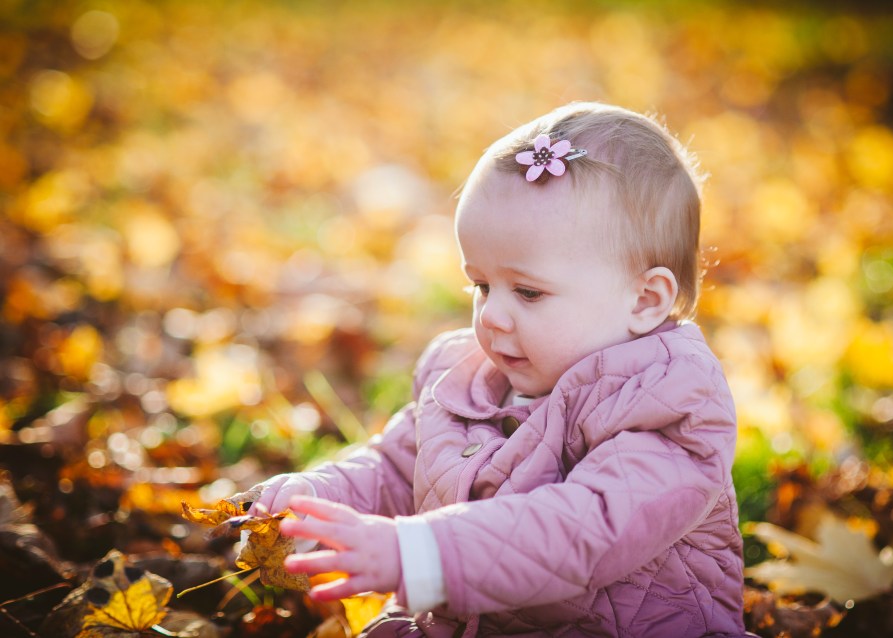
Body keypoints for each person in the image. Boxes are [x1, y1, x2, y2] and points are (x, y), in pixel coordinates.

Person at [253, 102, 746, 637]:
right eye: (481, 285)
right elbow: (399, 469)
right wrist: (317, 504)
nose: (490, 315)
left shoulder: (671, 404)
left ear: (645, 299)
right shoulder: (467, 377)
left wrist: (420, 555)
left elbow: (578, 530)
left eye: (528, 291)